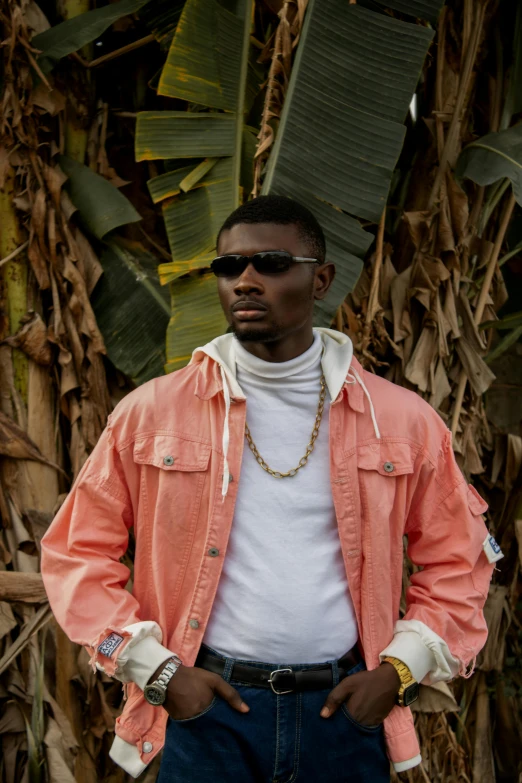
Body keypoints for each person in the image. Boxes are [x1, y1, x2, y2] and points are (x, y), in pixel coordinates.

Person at [41, 196, 499, 782]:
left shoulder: (401, 420)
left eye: (272, 263)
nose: (246, 281)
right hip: (206, 710)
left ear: (321, 279)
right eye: (229, 267)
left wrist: (398, 673)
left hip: (346, 711)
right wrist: (157, 671)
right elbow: (75, 553)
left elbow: (460, 559)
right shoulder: (151, 414)